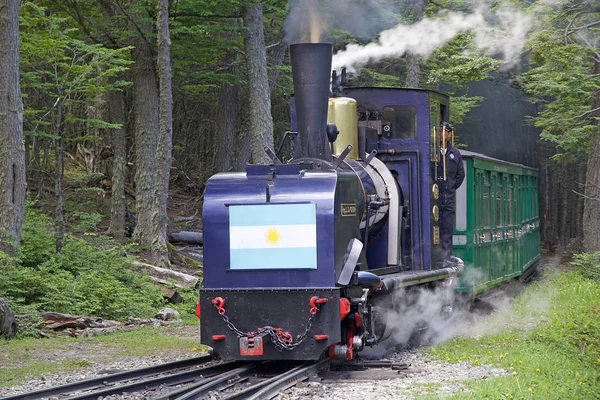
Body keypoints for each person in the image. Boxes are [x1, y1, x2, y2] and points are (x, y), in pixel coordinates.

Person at [437, 122, 465, 262]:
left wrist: (451, 187)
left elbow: (461, 175)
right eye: (440, 131)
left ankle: (445, 257)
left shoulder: (456, 154)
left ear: (449, 134)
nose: (442, 135)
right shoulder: (432, 151)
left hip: (448, 197)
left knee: (447, 229)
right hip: (434, 196)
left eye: (445, 132)